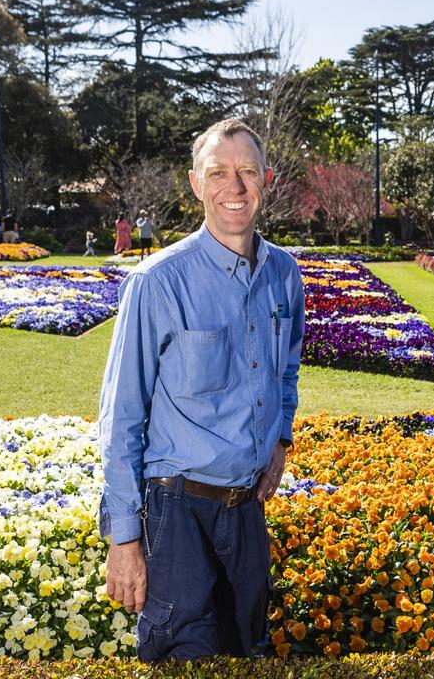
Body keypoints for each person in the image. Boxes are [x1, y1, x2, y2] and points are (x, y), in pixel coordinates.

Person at [97, 118, 306, 662]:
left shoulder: (285, 274)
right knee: (184, 660)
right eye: (218, 173)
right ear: (196, 183)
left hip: (246, 513)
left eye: (246, 172)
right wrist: (123, 540)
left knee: (247, 654)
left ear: (267, 180)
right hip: (176, 514)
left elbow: (286, 371)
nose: (233, 188)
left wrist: (281, 442)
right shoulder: (158, 282)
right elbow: (121, 416)